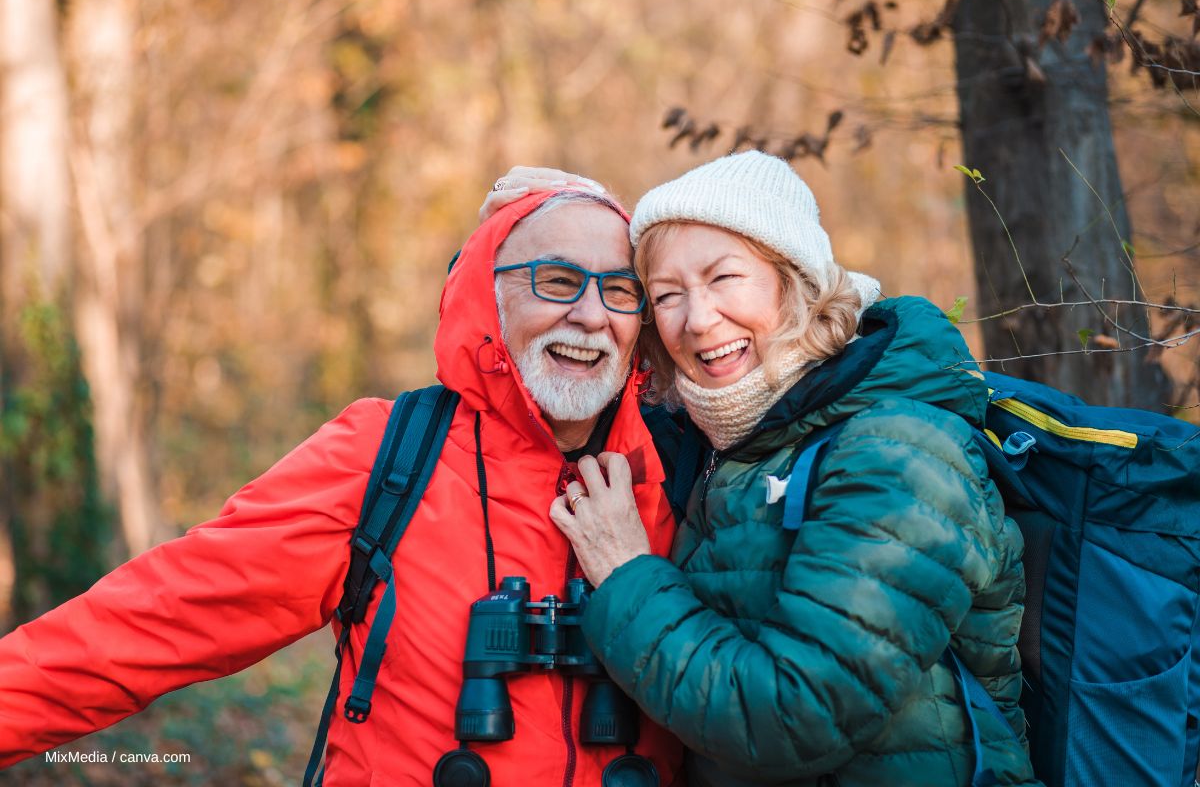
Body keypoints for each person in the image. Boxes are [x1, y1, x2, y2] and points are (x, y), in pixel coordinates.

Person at [0, 189, 686, 785]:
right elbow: (154, 620)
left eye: (620, 289)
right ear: (487, 292)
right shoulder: (386, 457)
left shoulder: (683, 473)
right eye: (557, 280)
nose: (593, 314)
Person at [488, 153, 1040, 786]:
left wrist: (626, 574)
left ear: (795, 280)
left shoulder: (902, 452)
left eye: (725, 278)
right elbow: (558, 386)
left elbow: (794, 717)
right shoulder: (729, 446)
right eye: (666, 295)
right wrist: (555, 221)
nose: (697, 320)